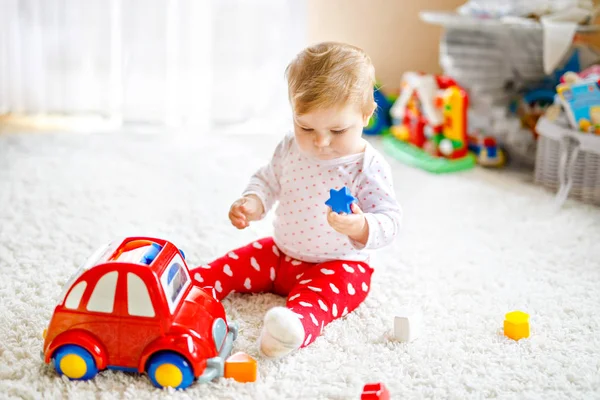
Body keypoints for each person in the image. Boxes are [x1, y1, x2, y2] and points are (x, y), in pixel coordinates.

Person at [190, 42, 402, 358]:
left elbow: (390, 219)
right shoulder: (291, 146)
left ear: (367, 115)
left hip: (339, 265)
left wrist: (360, 226)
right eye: (306, 126)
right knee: (229, 265)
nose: (320, 141)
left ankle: (291, 330)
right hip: (281, 254)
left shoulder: (366, 166)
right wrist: (252, 202)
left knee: (318, 300)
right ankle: (187, 290)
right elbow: (268, 179)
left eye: (338, 129)